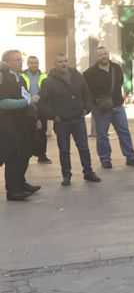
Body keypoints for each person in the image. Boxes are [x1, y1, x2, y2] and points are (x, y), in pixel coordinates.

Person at [38, 53, 99, 186]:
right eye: (60, 62)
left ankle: (88, 172)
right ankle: (66, 175)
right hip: (61, 122)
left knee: (83, 147)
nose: (63, 64)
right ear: (55, 64)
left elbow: (86, 94)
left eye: (65, 61)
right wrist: (53, 115)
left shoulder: (77, 76)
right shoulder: (49, 81)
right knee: (64, 150)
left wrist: (86, 108)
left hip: (78, 118)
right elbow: (42, 102)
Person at [83, 46, 134, 169]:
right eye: (101, 55)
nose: (103, 56)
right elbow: (86, 91)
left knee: (124, 131)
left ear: (108, 54)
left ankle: (131, 157)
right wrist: (95, 103)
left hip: (117, 106)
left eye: (105, 54)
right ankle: (105, 159)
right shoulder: (89, 73)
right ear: (97, 57)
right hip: (100, 108)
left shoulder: (116, 68)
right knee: (102, 134)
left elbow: (119, 82)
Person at [0, 52, 41, 201]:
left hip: (24, 124)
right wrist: (27, 103)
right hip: (10, 125)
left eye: (20, 59)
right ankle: (13, 190)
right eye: (16, 60)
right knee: (14, 157)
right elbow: (3, 103)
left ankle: (20, 183)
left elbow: (27, 97)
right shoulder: (4, 79)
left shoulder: (21, 78)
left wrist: (34, 117)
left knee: (25, 154)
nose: (20, 62)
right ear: (6, 62)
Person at [21, 55, 52, 164]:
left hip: (41, 106)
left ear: (38, 64)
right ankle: (26, 157)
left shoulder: (44, 76)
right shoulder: (22, 76)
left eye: (35, 63)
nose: (33, 65)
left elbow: (47, 90)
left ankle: (42, 156)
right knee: (27, 131)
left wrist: (39, 97)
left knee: (42, 132)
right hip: (27, 106)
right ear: (28, 64)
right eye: (31, 63)